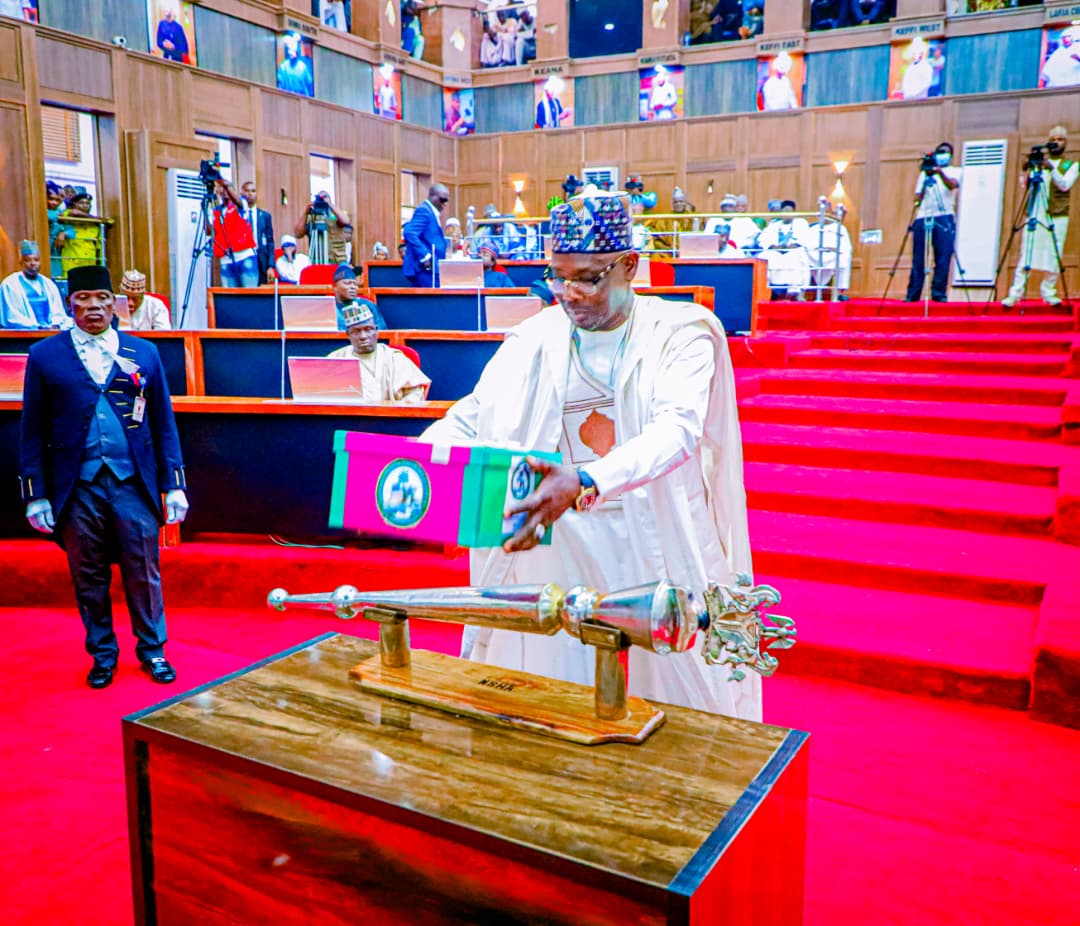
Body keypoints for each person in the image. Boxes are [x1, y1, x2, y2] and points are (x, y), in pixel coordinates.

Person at [420, 190, 759, 721]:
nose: (569, 294)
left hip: (653, 537)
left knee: (672, 697)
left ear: (630, 265)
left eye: (588, 277)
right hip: (557, 540)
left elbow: (678, 430)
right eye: (557, 276)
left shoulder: (681, 332)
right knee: (549, 695)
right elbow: (474, 413)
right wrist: (410, 463)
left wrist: (585, 479)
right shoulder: (535, 336)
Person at [19, 265, 188, 689]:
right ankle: (102, 654)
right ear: (69, 304)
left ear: (116, 303)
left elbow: (163, 423)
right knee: (88, 573)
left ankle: (153, 650)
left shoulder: (143, 353)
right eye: (82, 299)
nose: (93, 307)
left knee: (143, 568)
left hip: (133, 480)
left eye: (101, 298)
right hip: (77, 486)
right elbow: (31, 430)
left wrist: (175, 482)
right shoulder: (44, 356)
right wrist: (36, 494)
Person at [1003, 126, 1078, 307]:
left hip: (1057, 215)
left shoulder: (1071, 165)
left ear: (1065, 144)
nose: (1056, 142)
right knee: (1026, 250)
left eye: (1060, 139)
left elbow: (1065, 185)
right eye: (1053, 138)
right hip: (1036, 213)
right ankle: (1015, 293)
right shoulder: (1039, 164)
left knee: (1054, 252)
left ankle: (1048, 292)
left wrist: (1051, 167)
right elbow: (1025, 185)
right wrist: (1028, 170)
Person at [326, 301, 430, 402]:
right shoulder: (335, 359)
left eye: (368, 329)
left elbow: (415, 394)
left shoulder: (394, 358)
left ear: (376, 331)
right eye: (356, 331)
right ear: (348, 335)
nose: (363, 336)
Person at [905, 142, 961, 303]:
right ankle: (913, 294)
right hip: (923, 215)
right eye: (940, 152)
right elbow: (917, 197)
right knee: (918, 258)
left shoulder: (955, 171)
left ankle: (938, 293)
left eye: (945, 152)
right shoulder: (924, 173)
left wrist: (939, 173)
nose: (942, 155)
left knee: (943, 257)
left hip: (944, 215)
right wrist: (927, 177)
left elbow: (952, 186)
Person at [0, 240, 69, 329]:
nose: (33, 263)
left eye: (36, 260)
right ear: (21, 262)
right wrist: (35, 326)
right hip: (22, 333)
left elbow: (58, 311)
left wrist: (54, 324)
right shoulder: (10, 284)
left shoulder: (48, 284)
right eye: (28, 260)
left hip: (50, 330)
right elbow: (12, 315)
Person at [209, 179, 259, 288]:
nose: (225, 191)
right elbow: (209, 231)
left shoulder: (241, 204)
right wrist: (205, 210)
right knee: (230, 298)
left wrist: (227, 186)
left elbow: (238, 202)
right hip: (226, 259)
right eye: (222, 188)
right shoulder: (216, 210)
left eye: (227, 188)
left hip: (244, 256)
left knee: (249, 296)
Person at [757, 201, 813, 299]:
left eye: (789, 211)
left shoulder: (801, 223)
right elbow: (763, 239)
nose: (787, 214)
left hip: (794, 251)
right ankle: (771, 290)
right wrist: (773, 246)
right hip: (777, 251)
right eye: (785, 211)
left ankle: (794, 290)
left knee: (795, 256)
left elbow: (807, 239)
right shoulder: (774, 224)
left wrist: (795, 244)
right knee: (765, 256)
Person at [402, 184, 449, 287]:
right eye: (442, 199)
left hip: (430, 269)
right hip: (424, 269)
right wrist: (424, 255)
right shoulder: (424, 210)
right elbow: (409, 232)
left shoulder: (430, 211)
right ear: (433, 196)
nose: (445, 203)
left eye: (446, 200)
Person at [294, 193, 351, 265]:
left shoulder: (336, 215)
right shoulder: (312, 218)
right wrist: (306, 212)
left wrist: (330, 204)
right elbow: (297, 234)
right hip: (318, 261)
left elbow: (346, 221)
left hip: (337, 262)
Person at [240, 179, 275, 284]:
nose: (250, 194)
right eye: (247, 191)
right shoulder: (238, 214)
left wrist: (271, 266)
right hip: (244, 257)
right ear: (242, 193)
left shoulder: (264, 216)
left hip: (261, 260)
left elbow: (270, 242)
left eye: (253, 191)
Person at [332, 264, 386, 330]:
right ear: (335, 287)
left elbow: (382, 333)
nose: (353, 287)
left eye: (355, 284)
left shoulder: (368, 305)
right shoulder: (328, 308)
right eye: (347, 283)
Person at [47, 182, 75, 281]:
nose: (54, 203)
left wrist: (63, 233)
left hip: (55, 253)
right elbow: (48, 216)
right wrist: (58, 217)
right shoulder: (58, 214)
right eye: (51, 199)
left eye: (58, 200)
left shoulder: (61, 213)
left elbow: (72, 232)